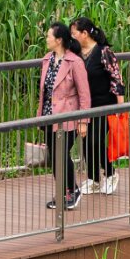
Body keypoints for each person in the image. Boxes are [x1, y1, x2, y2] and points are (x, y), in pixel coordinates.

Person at [37, 20, 88, 210]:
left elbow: (84, 94)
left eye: (49, 36)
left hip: (68, 116)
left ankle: (71, 191)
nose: (46, 39)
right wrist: (40, 116)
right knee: (54, 154)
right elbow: (44, 91)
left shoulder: (74, 62)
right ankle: (65, 191)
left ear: (59, 40)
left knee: (61, 153)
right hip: (49, 115)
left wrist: (83, 121)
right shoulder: (47, 60)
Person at [72, 15, 124, 192]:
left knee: (95, 140)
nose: (72, 37)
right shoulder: (77, 54)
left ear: (84, 33)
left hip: (104, 104)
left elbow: (116, 78)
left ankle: (110, 174)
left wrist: (121, 106)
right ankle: (93, 179)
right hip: (85, 106)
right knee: (86, 142)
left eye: (74, 33)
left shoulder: (103, 52)